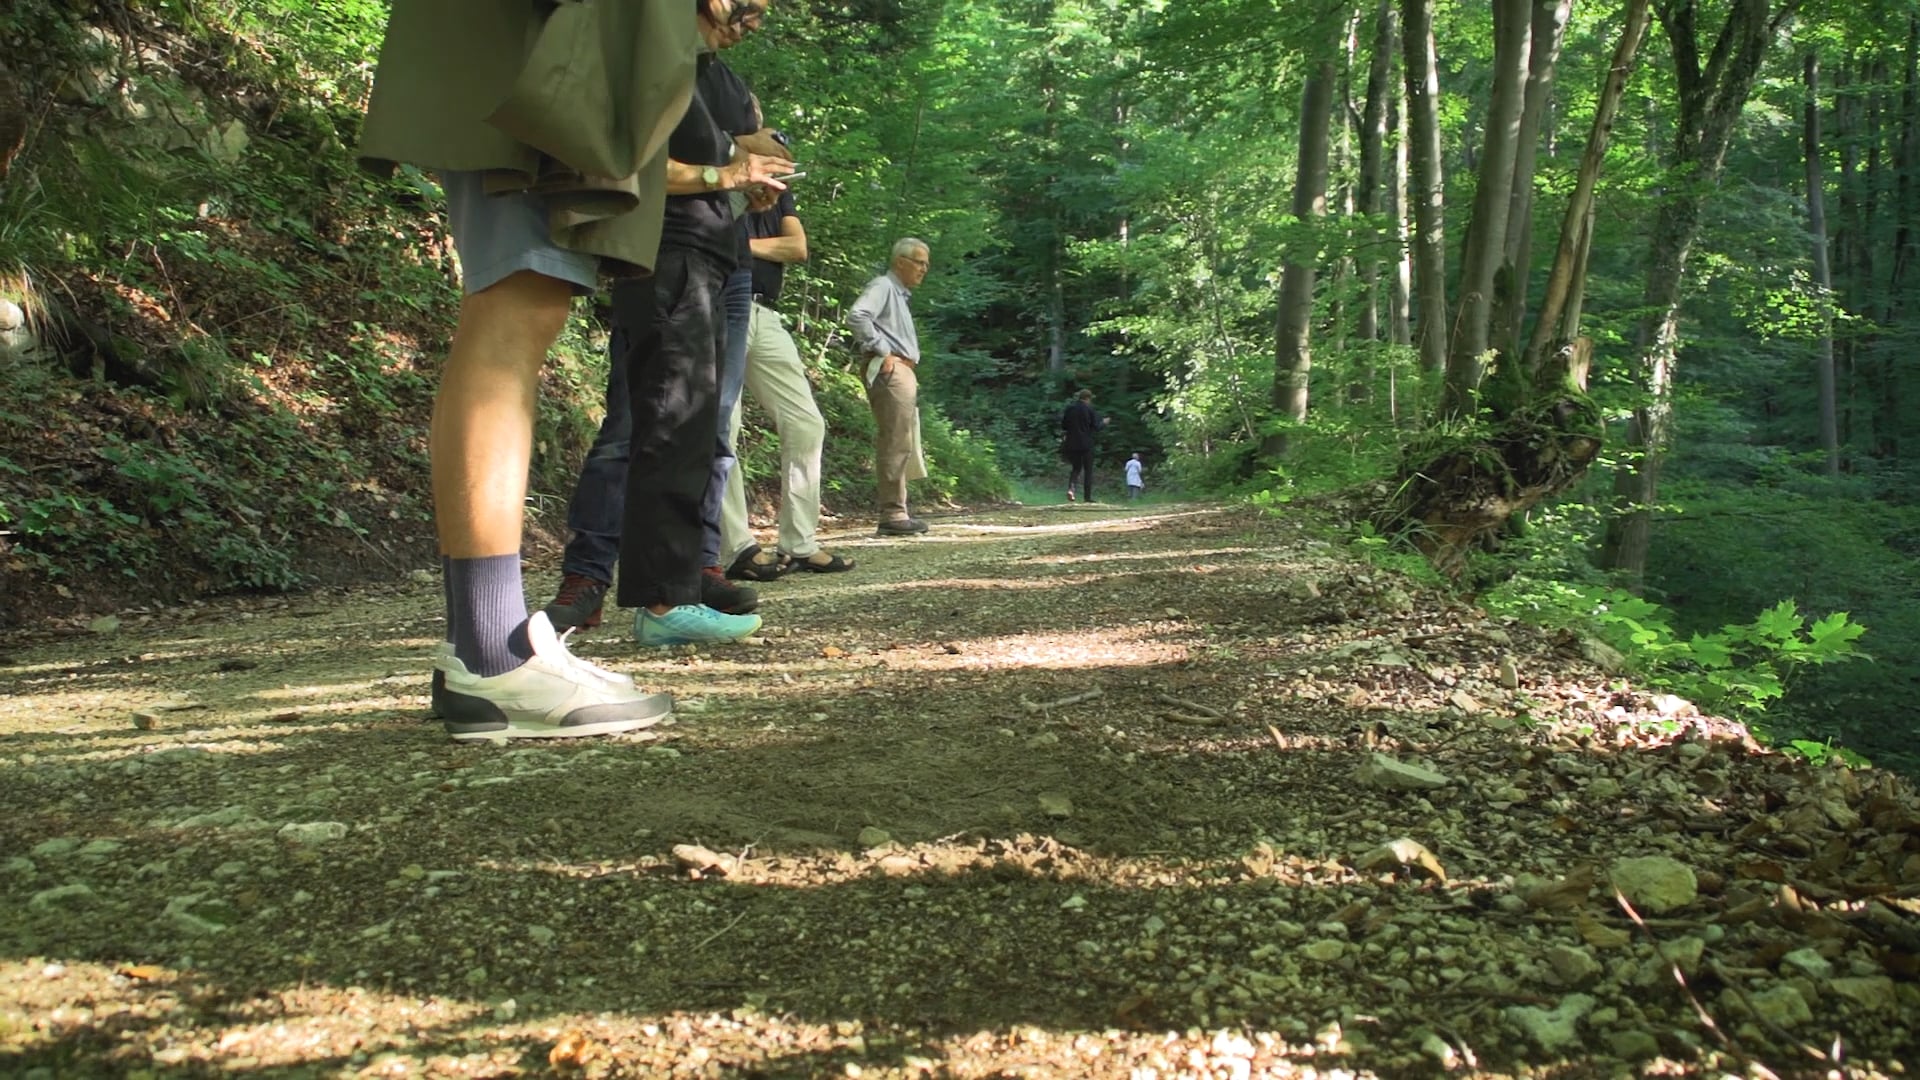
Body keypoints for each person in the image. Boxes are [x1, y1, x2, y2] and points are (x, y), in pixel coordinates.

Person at [357, 0, 697, 740]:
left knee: (523, 304)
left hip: (548, 38)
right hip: (537, 41)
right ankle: (490, 650)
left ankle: (492, 642)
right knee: (516, 305)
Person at [542, 0, 793, 643]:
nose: (753, 21)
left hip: (712, 257)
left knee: (691, 429)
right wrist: (729, 171)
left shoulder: (716, 78)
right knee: (655, 422)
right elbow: (630, 162)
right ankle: (636, 595)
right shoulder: (652, 60)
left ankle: (677, 586)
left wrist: (748, 173)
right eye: (750, 6)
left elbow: (752, 147)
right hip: (665, 253)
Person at [720, 138, 857, 580]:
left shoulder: (778, 188)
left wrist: (741, 246)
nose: (782, 158)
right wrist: (755, 243)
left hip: (765, 311)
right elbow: (709, 236)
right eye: (774, 144)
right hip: (721, 304)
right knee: (726, 423)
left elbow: (797, 247)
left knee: (805, 421)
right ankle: (736, 546)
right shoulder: (718, 174)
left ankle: (799, 543)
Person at [847, 238, 932, 536]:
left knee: (902, 440)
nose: (924, 269)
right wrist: (882, 351)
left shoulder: (899, 294)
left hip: (901, 369)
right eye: (919, 262)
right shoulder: (883, 286)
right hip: (892, 368)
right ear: (900, 261)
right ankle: (893, 514)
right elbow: (857, 315)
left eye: (926, 263)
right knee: (895, 439)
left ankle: (897, 510)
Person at [1060, 388, 1106, 503]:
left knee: (1076, 468)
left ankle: (1071, 489)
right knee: (1088, 470)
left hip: (1071, 443)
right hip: (1086, 444)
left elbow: (1064, 426)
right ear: (1088, 398)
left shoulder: (1070, 409)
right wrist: (1104, 423)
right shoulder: (1089, 409)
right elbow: (1096, 427)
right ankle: (1087, 497)